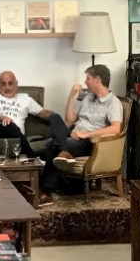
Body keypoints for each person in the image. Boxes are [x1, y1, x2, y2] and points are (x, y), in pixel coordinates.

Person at [38, 63, 124, 191]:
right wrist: (71, 97)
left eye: (88, 78)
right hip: (73, 136)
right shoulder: (88, 97)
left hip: (90, 142)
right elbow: (69, 120)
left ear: (97, 80)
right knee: (55, 118)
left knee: (51, 144)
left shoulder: (113, 103)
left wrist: (86, 135)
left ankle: (47, 187)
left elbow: (116, 128)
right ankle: (64, 153)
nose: (85, 82)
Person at [0, 70, 54, 155]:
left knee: (12, 132)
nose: (7, 87)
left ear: (16, 83)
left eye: (10, 83)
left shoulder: (25, 99)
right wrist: (2, 118)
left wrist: (57, 119)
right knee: (9, 125)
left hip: (14, 139)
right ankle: (31, 156)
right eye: (3, 84)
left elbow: (43, 113)